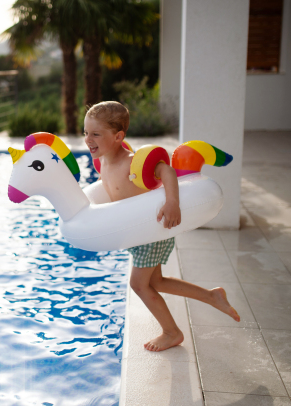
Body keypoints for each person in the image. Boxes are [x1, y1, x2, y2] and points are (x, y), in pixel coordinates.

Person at [84, 101, 240, 352]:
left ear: (118, 136)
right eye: (86, 133)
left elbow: (166, 170)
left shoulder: (132, 162)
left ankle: (171, 332)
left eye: (95, 134)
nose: (87, 139)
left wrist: (172, 202)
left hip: (150, 230)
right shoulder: (103, 163)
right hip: (137, 234)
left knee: (139, 284)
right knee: (156, 281)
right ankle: (212, 296)